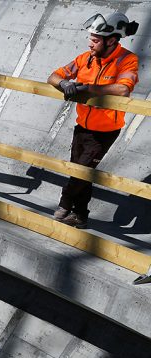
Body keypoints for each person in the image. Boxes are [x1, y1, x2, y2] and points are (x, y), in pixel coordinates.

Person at [47, 12, 139, 228]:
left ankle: (64, 203)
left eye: (95, 40)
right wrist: (63, 84)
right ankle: (80, 216)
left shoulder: (127, 60)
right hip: (82, 127)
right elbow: (53, 76)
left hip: (105, 131)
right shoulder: (84, 59)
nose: (90, 43)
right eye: (90, 38)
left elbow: (123, 89)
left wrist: (89, 88)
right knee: (79, 171)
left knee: (81, 171)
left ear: (112, 40)